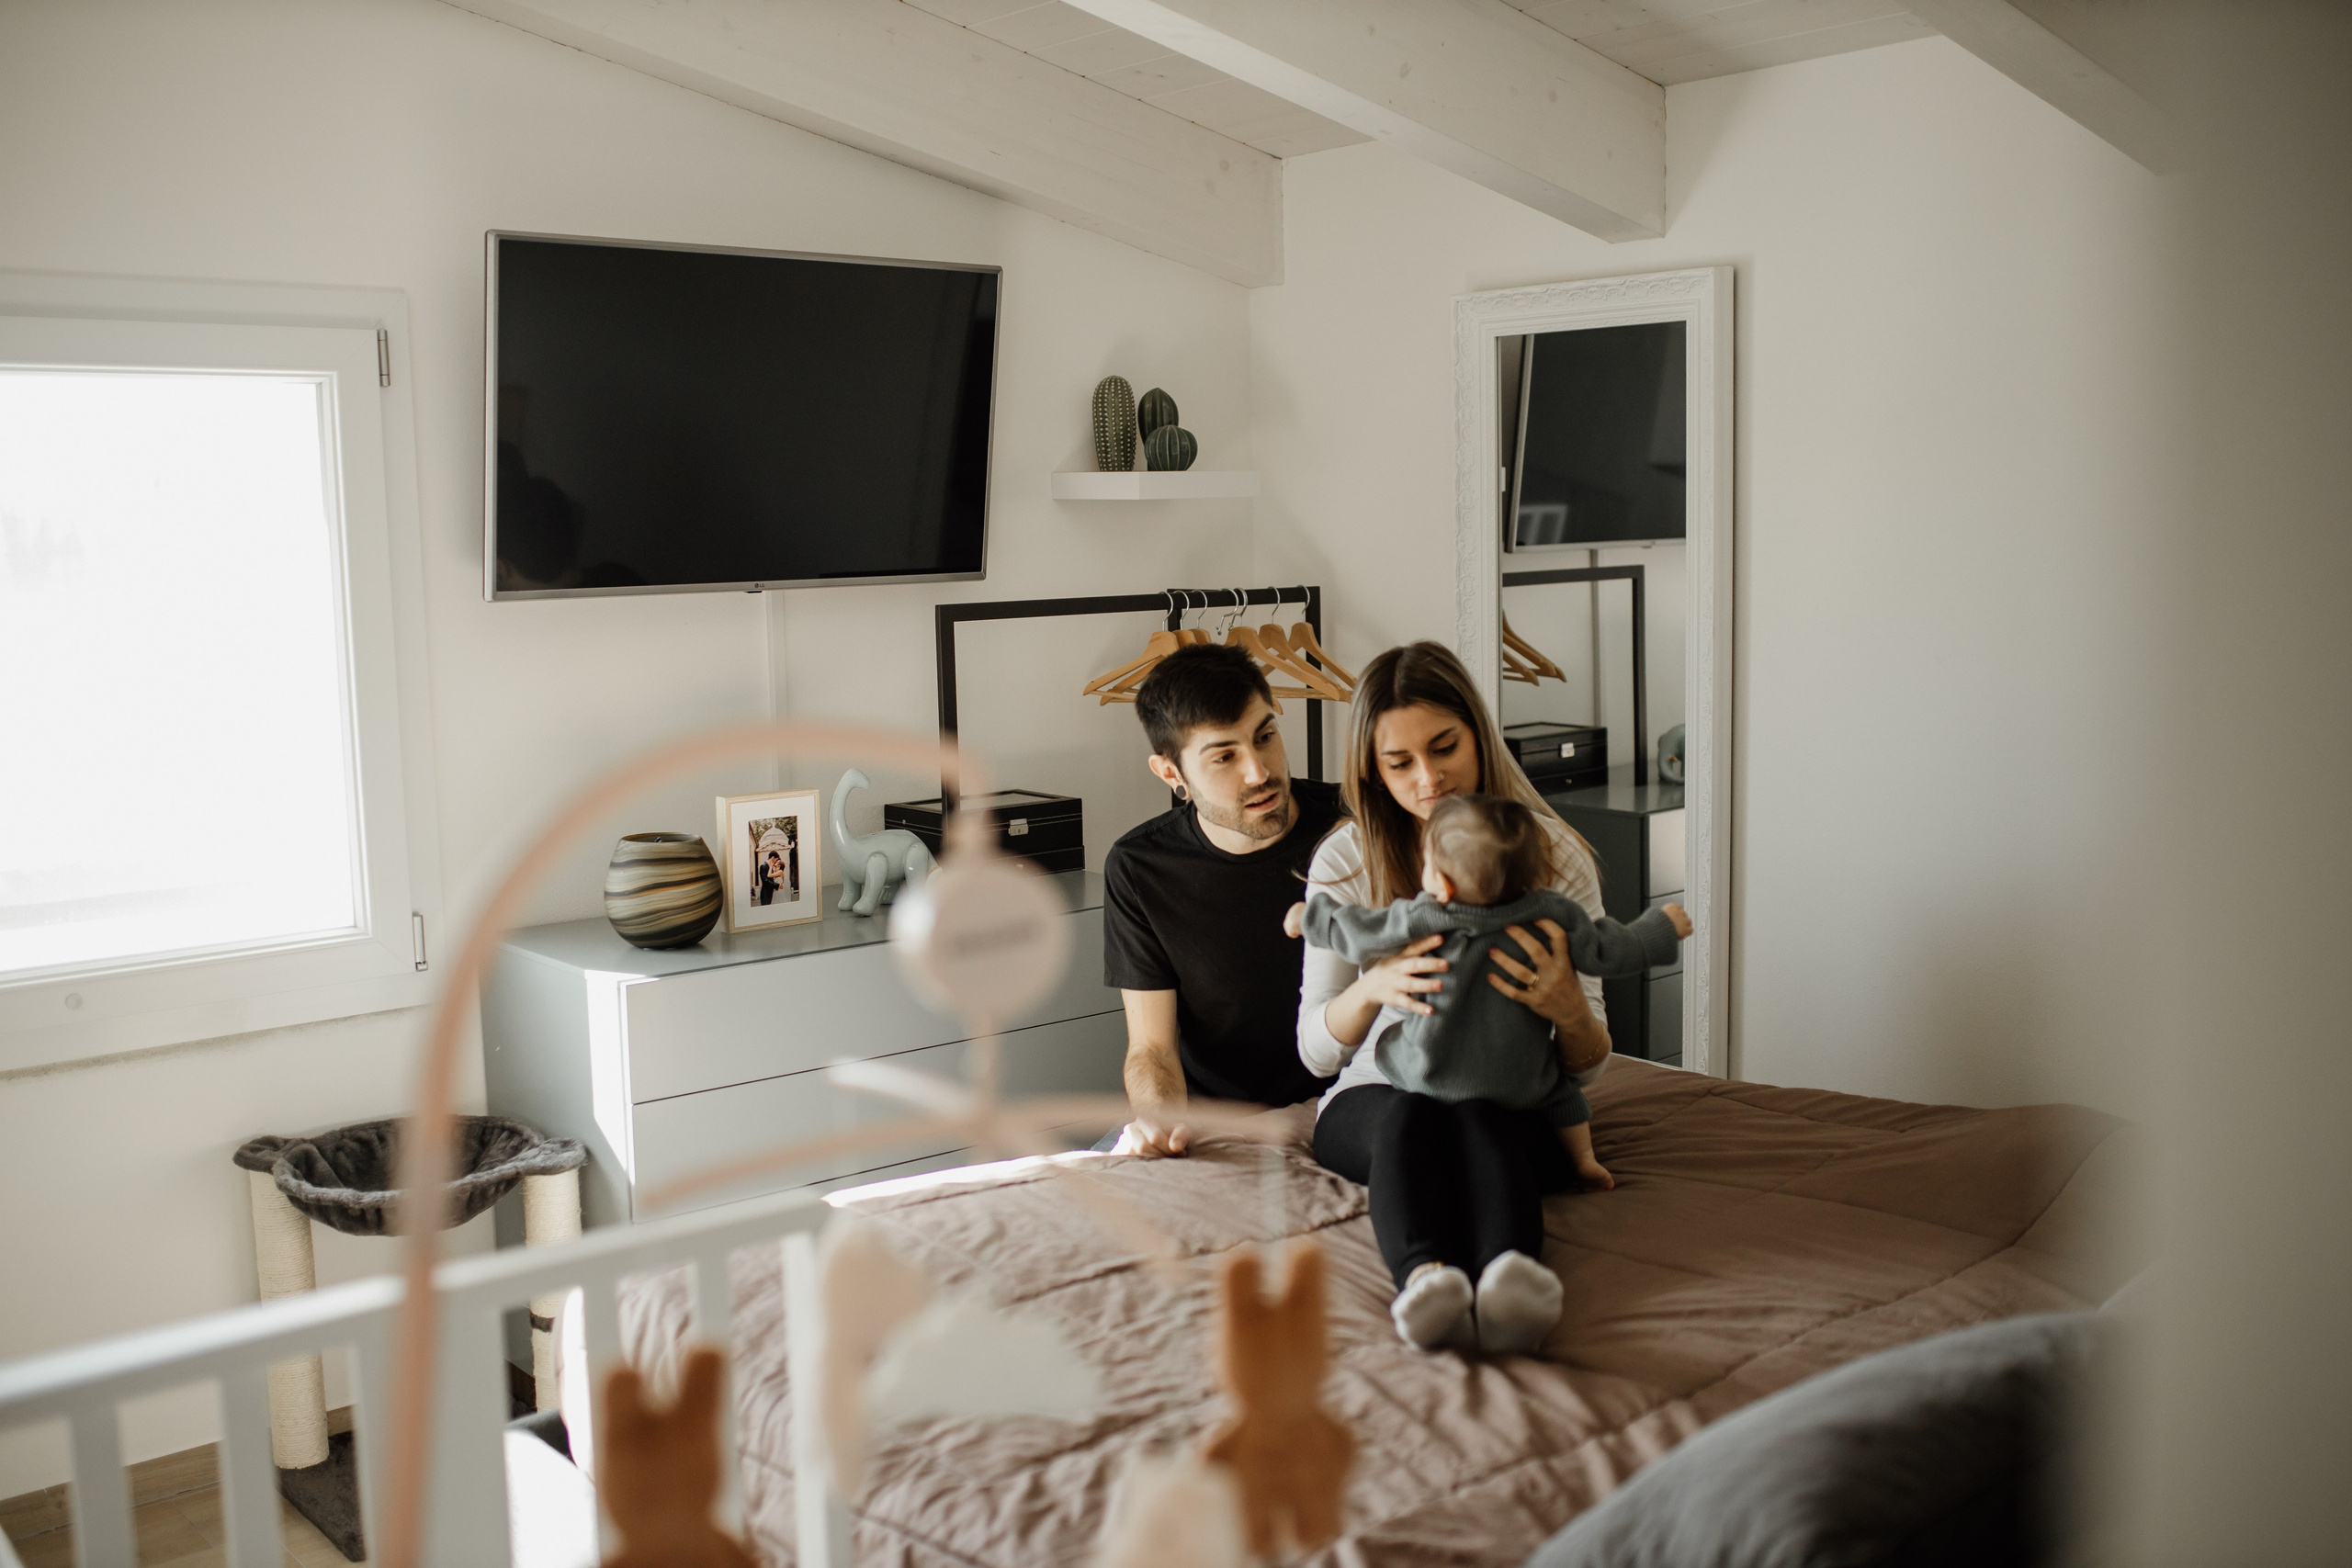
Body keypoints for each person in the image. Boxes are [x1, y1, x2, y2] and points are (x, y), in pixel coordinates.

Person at [1297, 641, 1623, 1355]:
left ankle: (1513, 1284)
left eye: (1445, 747)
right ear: (1371, 770)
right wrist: (1374, 987)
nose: (1428, 778)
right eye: (1399, 762)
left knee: (1474, 1115)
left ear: (1479, 733)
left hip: (1502, 1100)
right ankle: (1427, 1280)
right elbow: (1317, 1052)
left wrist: (1566, 1005)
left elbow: (1591, 1063)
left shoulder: (1551, 856)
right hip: (1376, 1100)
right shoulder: (1346, 860)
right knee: (1416, 1111)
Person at [1284, 791, 1690, 1193]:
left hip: (1427, 1076)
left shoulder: (1429, 914)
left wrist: (1313, 918)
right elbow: (1610, 947)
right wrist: (1660, 929)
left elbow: (1361, 929)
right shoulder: (1550, 911)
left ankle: (1428, 1253)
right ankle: (1581, 1162)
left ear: (1440, 883)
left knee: (1421, 1096)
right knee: (1560, 1093)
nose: (1427, 778)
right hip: (1517, 1084)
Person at [1101, 643, 1350, 1155]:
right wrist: (1160, 1122)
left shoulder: (1356, 828)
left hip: (1344, 1103)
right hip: (1210, 1119)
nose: (1259, 772)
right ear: (1171, 774)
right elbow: (1151, 1048)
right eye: (1224, 756)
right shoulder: (1139, 867)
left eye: (1265, 737)